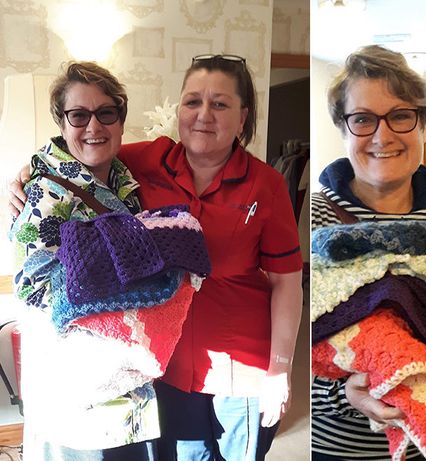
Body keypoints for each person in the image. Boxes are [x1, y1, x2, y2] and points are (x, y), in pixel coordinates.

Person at [9, 54, 303, 461]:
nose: (204, 115)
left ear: (243, 117)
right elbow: (83, 151)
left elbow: (287, 280)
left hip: (242, 371)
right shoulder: (148, 161)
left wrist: (281, 368)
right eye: (192, 101)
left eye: (220, 104)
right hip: (165, 368)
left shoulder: (265, 183)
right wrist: (28, 175)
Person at [310, 45, 426, 460]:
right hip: (337, 449)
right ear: (343, 128)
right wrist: (346, 394)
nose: (382, 135)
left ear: (423, 123)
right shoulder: (316, 218)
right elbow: (300, 333)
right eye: (362, 119)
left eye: (401, 115)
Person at [9, 62, 159, 460]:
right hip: (79, 383)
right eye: (79, 115)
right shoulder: (45, 193)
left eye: (105, 113)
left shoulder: (126, 183)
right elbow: (34, 288)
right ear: (62, 123)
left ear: (121, 120)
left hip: (128, 376)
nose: (94, 126)